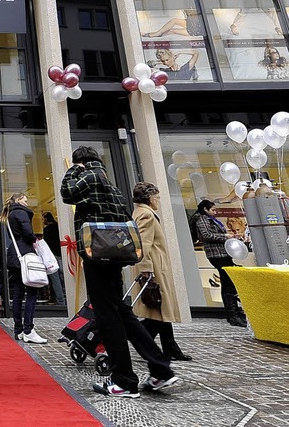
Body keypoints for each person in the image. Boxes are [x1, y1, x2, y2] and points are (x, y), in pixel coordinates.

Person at [60, 147, 178, 398]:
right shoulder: (111, 185)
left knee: (107, 316)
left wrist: (72, 169)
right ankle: (160, 368)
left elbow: (66, 193)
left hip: (97, 255)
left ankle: (124, 380)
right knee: (123, 312)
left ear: (82, 162)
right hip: (113, 255)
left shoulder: (89, 177)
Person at [131, 182, 192, 361]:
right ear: (150, 198)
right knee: (157, 311)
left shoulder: (141, 212)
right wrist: (146, 269)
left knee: (161, 309)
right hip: (154, 267)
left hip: (156, 265)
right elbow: (143, 244)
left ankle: (170, 347)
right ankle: (142, 343)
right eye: (157, 197)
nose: (158, 201)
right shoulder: (146, 215)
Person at [190, 199, 247, 327]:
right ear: (205, 209)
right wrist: (225, 237)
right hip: (216, 254)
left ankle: (234, 312)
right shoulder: (203, 220)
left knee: (228, 282)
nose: (215, 212)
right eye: (213, 209)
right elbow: (206, 236)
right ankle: (232, 314)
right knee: (227, 282)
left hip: (223, 252)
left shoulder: (212, 220)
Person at [0, 192, 48, 345]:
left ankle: (19, 329)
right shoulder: (21, 212)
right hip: (25, 254)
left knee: (18, 293)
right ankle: (29, 330)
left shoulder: (10, 214)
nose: (27, 203)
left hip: (15, 256)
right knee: (32, 291)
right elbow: (27, 233)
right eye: (25, 200)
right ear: (19, 200)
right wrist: (35, 240)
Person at [42, 212, 66, 305]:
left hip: (52, 256)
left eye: (43, 219)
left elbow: (47, 244)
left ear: (47, 219)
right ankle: (64, 298)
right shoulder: (58, 228)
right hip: (61, 254)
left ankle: (60, 300)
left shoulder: (47, 229)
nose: (43, 221)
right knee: (62, 277)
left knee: (55, 279)